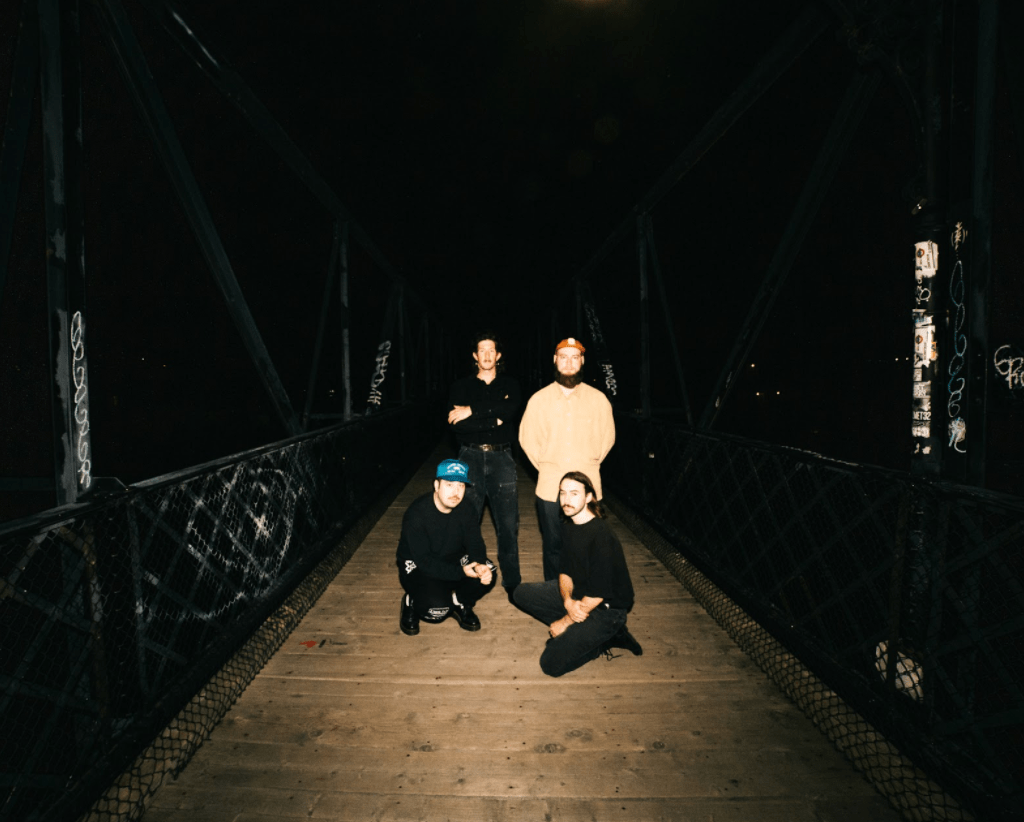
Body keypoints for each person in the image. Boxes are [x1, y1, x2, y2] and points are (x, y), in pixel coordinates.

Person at [514, 471, 642, 677]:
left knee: (550, 664)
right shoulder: (570, 525)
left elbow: (598, 595)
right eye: (563, 493)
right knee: (520, 593)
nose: (566, 500)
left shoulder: (601, 536)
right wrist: (568, 603)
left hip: (606, 610)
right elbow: (565, 572)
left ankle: (609, 638)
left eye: (574, 493)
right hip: (580, 595)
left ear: (589, 497)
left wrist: (565, 622)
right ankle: (579, 631)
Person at [519, 337, 615, 580]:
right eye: (563, 357)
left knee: (589, 546)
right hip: (550, 488)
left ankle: (588, 593)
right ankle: (555, 594)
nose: (569, 363)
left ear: (582, 361)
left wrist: (588, 463)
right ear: (555, 360)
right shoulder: (539, 400)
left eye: (575, 357)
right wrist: (549, 467)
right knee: (554, 546)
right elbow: (527, 440)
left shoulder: (598, 399)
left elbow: (607, 439)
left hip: (588, 487)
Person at [448, 332, 522, 594]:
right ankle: (465, 577)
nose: (487, 355)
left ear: (498, 355)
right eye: (482, 350)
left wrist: (472, 411)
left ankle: (512, 583)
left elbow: (510, 411)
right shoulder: (460, 386)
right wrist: (494, 418)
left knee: (508, 524)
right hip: (469, 457)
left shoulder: (511, 384)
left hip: (502, 458)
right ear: (475, 356)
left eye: (492, 350)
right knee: (466, 521)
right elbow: (458, 427)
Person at [396, 459, 496, 636]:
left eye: (461, 486)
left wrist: (479, 563)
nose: (456, 492)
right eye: (449, 485)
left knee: (489, 571)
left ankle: (459, 602)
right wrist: (461, 572)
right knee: (436, 609)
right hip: (419, 566)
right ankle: (411, 600)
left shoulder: (466, 507)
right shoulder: (416, 514)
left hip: (451, 559)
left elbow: (475, 543)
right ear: (436, 485)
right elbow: (424, 562)